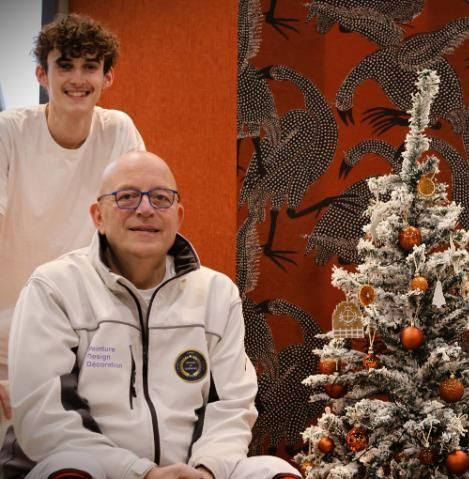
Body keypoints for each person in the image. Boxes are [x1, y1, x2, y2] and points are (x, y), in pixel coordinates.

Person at [2, 151, 301, 479]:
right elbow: (45, 420)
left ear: (178, 216)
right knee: (72, 471)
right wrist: (140, 473)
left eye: (161, 198)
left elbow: (232, 407)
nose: (145, 209)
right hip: (95, 470)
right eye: (127, 197)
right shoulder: (54, 287)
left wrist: (206, 470)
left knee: (274, 471)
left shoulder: (217, 294)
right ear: (97, 216)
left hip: (192, 473)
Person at [0, 13, 145, 428]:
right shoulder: (9, 132)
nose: (77, 78)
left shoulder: (119, 131)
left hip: (83, 345)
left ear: (107, 77)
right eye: (65, 65)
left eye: (90, 67)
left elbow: (134, 237)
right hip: (5, 346)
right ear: (42, 74)